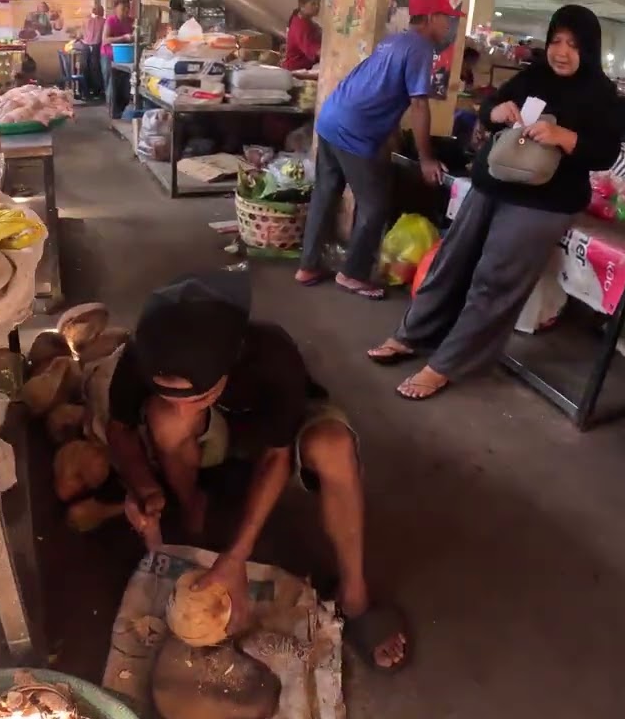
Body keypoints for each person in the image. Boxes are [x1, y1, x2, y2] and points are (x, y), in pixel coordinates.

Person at [107, 270, 410, 671]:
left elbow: (276, 458)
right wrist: (143, 485)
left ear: (231, 363)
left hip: (275, 432)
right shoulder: (142, 354)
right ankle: (192, 509)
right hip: (214, 432)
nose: (181, 405)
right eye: (168, 394)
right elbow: (119, 428)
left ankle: (355, 595)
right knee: (167, 420)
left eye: (195, 396)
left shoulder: (272, 353)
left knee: (333, 446)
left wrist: (238, 555)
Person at [366, 3, 621, 399]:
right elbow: (487, 111)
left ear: (589, 48)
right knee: (450, 263)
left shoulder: (600, 93)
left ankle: (448, 363)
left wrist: (564, 137)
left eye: (573, 45)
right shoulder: (533, 76)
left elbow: (606, 152)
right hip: (492, 183)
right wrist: (496, 111)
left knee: (494, 281)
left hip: (545, 202)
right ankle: (413, 334)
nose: (562, 52)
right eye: (556, 41)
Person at [296, 0, 464, 300]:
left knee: (325, 194)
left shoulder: (395, 40)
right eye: (448, 19)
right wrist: (426, 159)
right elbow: (419, 104)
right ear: (430, 17)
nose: (451, 26)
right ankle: (353, 274)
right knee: (374, 207)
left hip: (332, 118)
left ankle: (307, 266)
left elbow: (382, 91)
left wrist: (390, 138)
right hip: (356, 132)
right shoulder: (421, 47)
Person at [101, 0, 135, 97]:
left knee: (125, 86)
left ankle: (123, 106)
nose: (126, 11)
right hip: (109, 56)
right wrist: (123, 37)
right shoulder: (111, 20)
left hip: (125, 57)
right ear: (115, 8)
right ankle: (112, 106)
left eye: (128, 8)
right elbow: (105, 40)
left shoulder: (130, 21)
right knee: (112, 86)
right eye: (123, 8)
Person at [282, 0, 322, 71]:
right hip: (296, 70)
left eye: (318, 4)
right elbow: (315, 51)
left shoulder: (303, 19)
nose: (317, 7)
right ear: (302, 6)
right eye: (313, 4)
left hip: (303, 66)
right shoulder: (300, 27)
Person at [80, 1, 106, 98]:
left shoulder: (87, 20)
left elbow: (81, 33)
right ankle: (95, 91)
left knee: (86, 68)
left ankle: (85, 91)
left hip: (88, 45)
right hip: (95, 46)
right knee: (95, 68)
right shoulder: (103, 21)